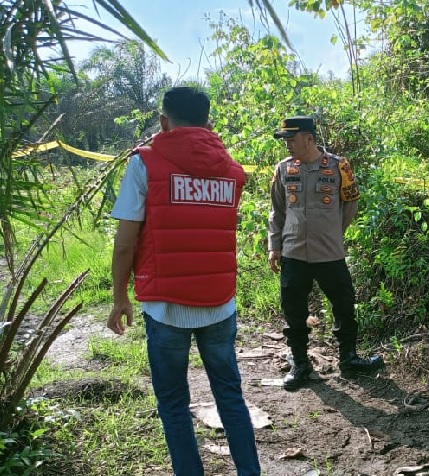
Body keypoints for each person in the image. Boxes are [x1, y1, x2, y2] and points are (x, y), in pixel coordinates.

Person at [107, 86, 261, 476]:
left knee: (174, 403)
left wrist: (119, 295)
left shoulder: (144, 164)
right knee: (230, 396)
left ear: (164, 121)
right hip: (219, 302)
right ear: (208, 124)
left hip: (165, 306)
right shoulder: (232, 172)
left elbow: (125, 243)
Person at [268, 116, 383, 391]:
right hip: (294, 252)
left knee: (343, 304)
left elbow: (350, 203)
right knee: (293, 310)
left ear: (308, 138)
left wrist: (332, 232)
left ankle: (349, 359)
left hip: (330, 252)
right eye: (285, 140)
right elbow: (277, 209)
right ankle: (300, 363)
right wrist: (274, 245)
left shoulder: (338, 166)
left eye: (291, 139)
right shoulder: (283, 169)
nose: (288, 145)